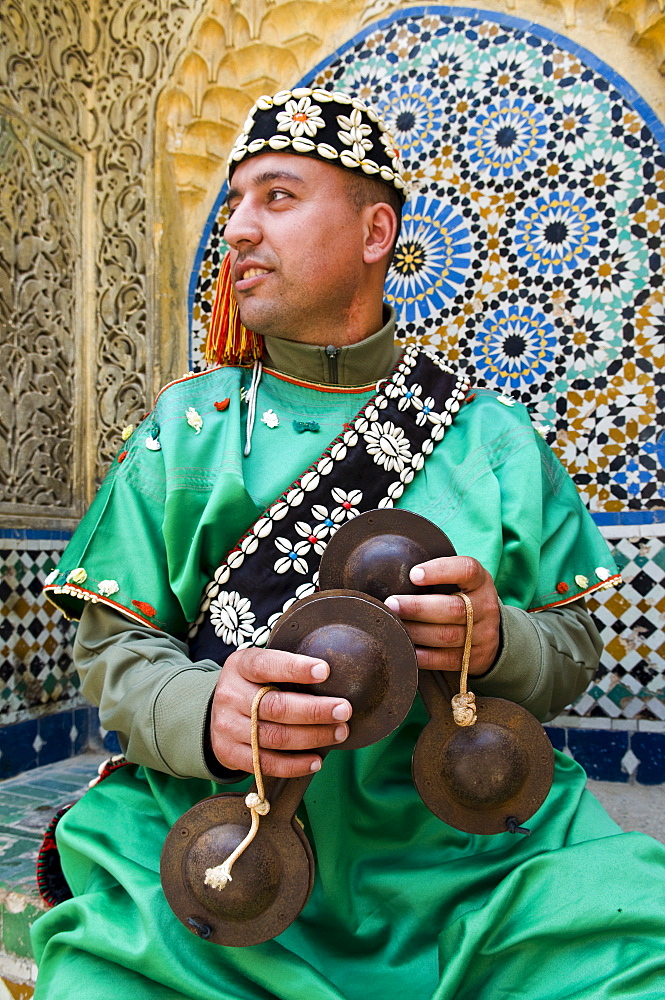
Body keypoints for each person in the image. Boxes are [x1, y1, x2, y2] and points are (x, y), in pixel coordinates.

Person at [32, 89, 665, 999]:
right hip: (225, 845)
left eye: (277, 197)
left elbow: (570, 649)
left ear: (375, 234)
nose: (237, 228)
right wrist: (205, 709)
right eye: (235, 200)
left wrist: (498, 644)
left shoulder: (493, 440)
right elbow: (112, 649)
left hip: (471, 860)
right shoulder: (189, 429)